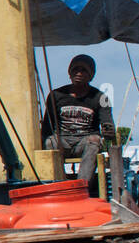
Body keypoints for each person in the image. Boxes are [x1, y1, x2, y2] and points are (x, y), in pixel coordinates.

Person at [41, 54, 115, 190]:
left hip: (84, 143)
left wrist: (109, 130)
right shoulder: (56, 95)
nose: (79, 73)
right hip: (63, 141)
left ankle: (81, 187)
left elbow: (107, 123)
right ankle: (58, 185)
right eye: (75, 69)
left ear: (91, 75)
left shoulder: (101, 97)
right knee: (49, 142)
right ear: (69, 73)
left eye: (84, 70)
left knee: (94, 141)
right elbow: (47, 127)